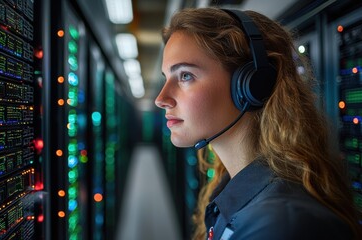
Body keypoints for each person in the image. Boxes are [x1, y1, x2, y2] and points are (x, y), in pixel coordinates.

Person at [154, 7, 362, 240]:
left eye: (185, 76)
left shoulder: (279, 226)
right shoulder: (234, 192)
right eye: (166, 78)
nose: (161, 99)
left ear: (251, 85)